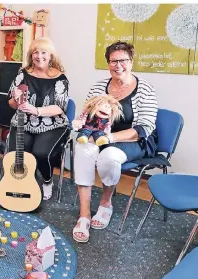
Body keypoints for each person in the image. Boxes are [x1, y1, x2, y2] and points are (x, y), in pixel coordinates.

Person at [72, 41, 158, 243]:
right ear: (108, 63)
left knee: (108, 156)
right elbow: (88, 114)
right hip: (101, 135)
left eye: (123, 60)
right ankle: (84, 215)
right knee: (83, 148)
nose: (118, 65)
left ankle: (105, 203)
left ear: (131, 61)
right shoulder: (98, 87)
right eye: (113, 61)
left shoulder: (145, 89)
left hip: (134, 140)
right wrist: (87, 130)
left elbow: (145, 128)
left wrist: (110, 138)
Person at [7, 38, 70, 200]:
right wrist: (16, 100)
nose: (39, 56)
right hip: (23, 122)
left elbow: (60, 108)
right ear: (31, 55)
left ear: (51, 56)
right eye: (36, 52)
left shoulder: (60, 78)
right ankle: (25, 181)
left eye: (44, 52)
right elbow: (11, 103)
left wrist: (36, 110)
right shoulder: (22, 74)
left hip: (52, 124)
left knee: (40, 153)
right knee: (16, 154)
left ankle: (47, 181)